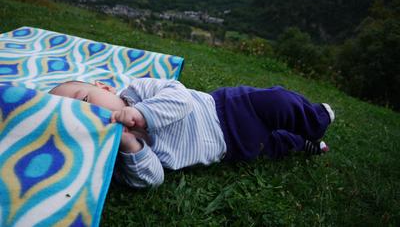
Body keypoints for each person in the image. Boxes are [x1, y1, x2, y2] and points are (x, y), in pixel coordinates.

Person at [49, 78, 334, 188]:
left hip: (228, 109)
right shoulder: (120, 152)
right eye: (78, 118)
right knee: (274, 145)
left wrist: (143, 115)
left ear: (105, 88)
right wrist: (130, 144)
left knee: (277, 101)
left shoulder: (138, 91)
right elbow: (152, 179)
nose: (87, 113)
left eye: (84, 101)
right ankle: (305, 144)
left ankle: (314, 120)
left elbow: (181, 98)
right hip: (233, 148)